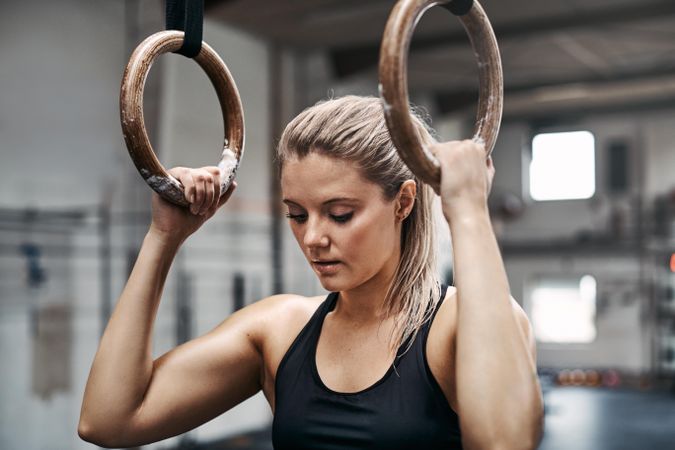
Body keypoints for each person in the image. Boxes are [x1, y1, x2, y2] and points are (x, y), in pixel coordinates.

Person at [79, 95, 543, 449]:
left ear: (402, 202)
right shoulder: (279, 332)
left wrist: (467, 213)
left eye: (339, 214)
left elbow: (506, 442)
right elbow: (109, 420)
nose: (312, 238)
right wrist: (164, 237)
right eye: (297, 215)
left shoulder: (461, 326)